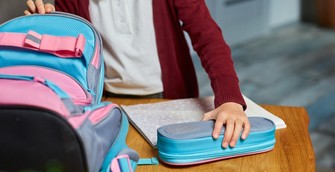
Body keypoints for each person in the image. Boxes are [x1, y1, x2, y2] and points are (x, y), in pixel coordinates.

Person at [24, 0, 251, 148]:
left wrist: (229, 99)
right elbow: (71, 55)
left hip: (169, 98)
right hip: (107, 102)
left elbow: (207, 36)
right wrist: (51, 25)